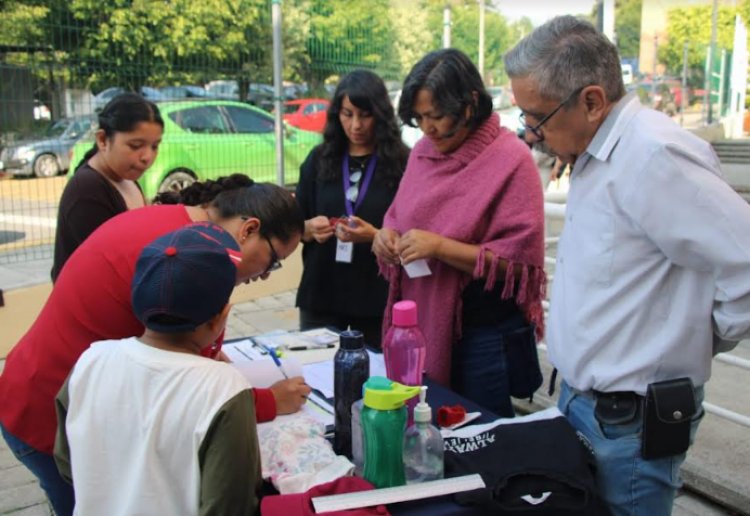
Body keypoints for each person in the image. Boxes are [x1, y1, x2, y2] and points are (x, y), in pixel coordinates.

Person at [505, 16, 750, 515]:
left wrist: (697, 338)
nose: (530, 134)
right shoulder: (600, 150)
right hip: (587, 403)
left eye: (537, 117)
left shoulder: (654, 155)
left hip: (631, 421)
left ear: (592, 101)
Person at [0, 175, 309, 516]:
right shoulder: (181, 253)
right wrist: (267, 401)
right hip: (45, 416)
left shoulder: (182, 237)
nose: (266, 275)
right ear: (248, 229)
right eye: (273, 260)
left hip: (61, 408)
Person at [372, 49, 546, 417]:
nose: (427, 128)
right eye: (418, 118)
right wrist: (384, 237)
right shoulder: (422, 152)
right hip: (420, 324)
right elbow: (398, 215)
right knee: (425, 427)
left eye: (435, 116)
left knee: (483, 440)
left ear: (469, 105)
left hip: (484, 335)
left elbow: (520, 263)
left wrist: (438, 246)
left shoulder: (511, 158)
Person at [55, 222, 263, 515]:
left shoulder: (91, 360)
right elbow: (231, 504)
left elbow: (67, 462)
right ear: (220, 318)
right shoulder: (224, 387)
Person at [296, 69, 409, 349]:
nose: (356, 125)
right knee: (315, 375)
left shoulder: (403, 163)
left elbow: (415, 235)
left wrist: (374, 236)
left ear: (380, 115)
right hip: (322, 292)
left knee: (372, 381)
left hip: (376, 298)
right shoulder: (319, 159)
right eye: (347, 114)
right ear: (337, 114)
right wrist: (308, 229)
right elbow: (294, 223)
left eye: (365, 114)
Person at [51, 93, 163, 282]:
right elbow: (109, 268)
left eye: (154, 146)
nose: (147, 157)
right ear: (103, 140)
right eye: (136, 146)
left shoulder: (126, 179)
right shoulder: (87, 190)